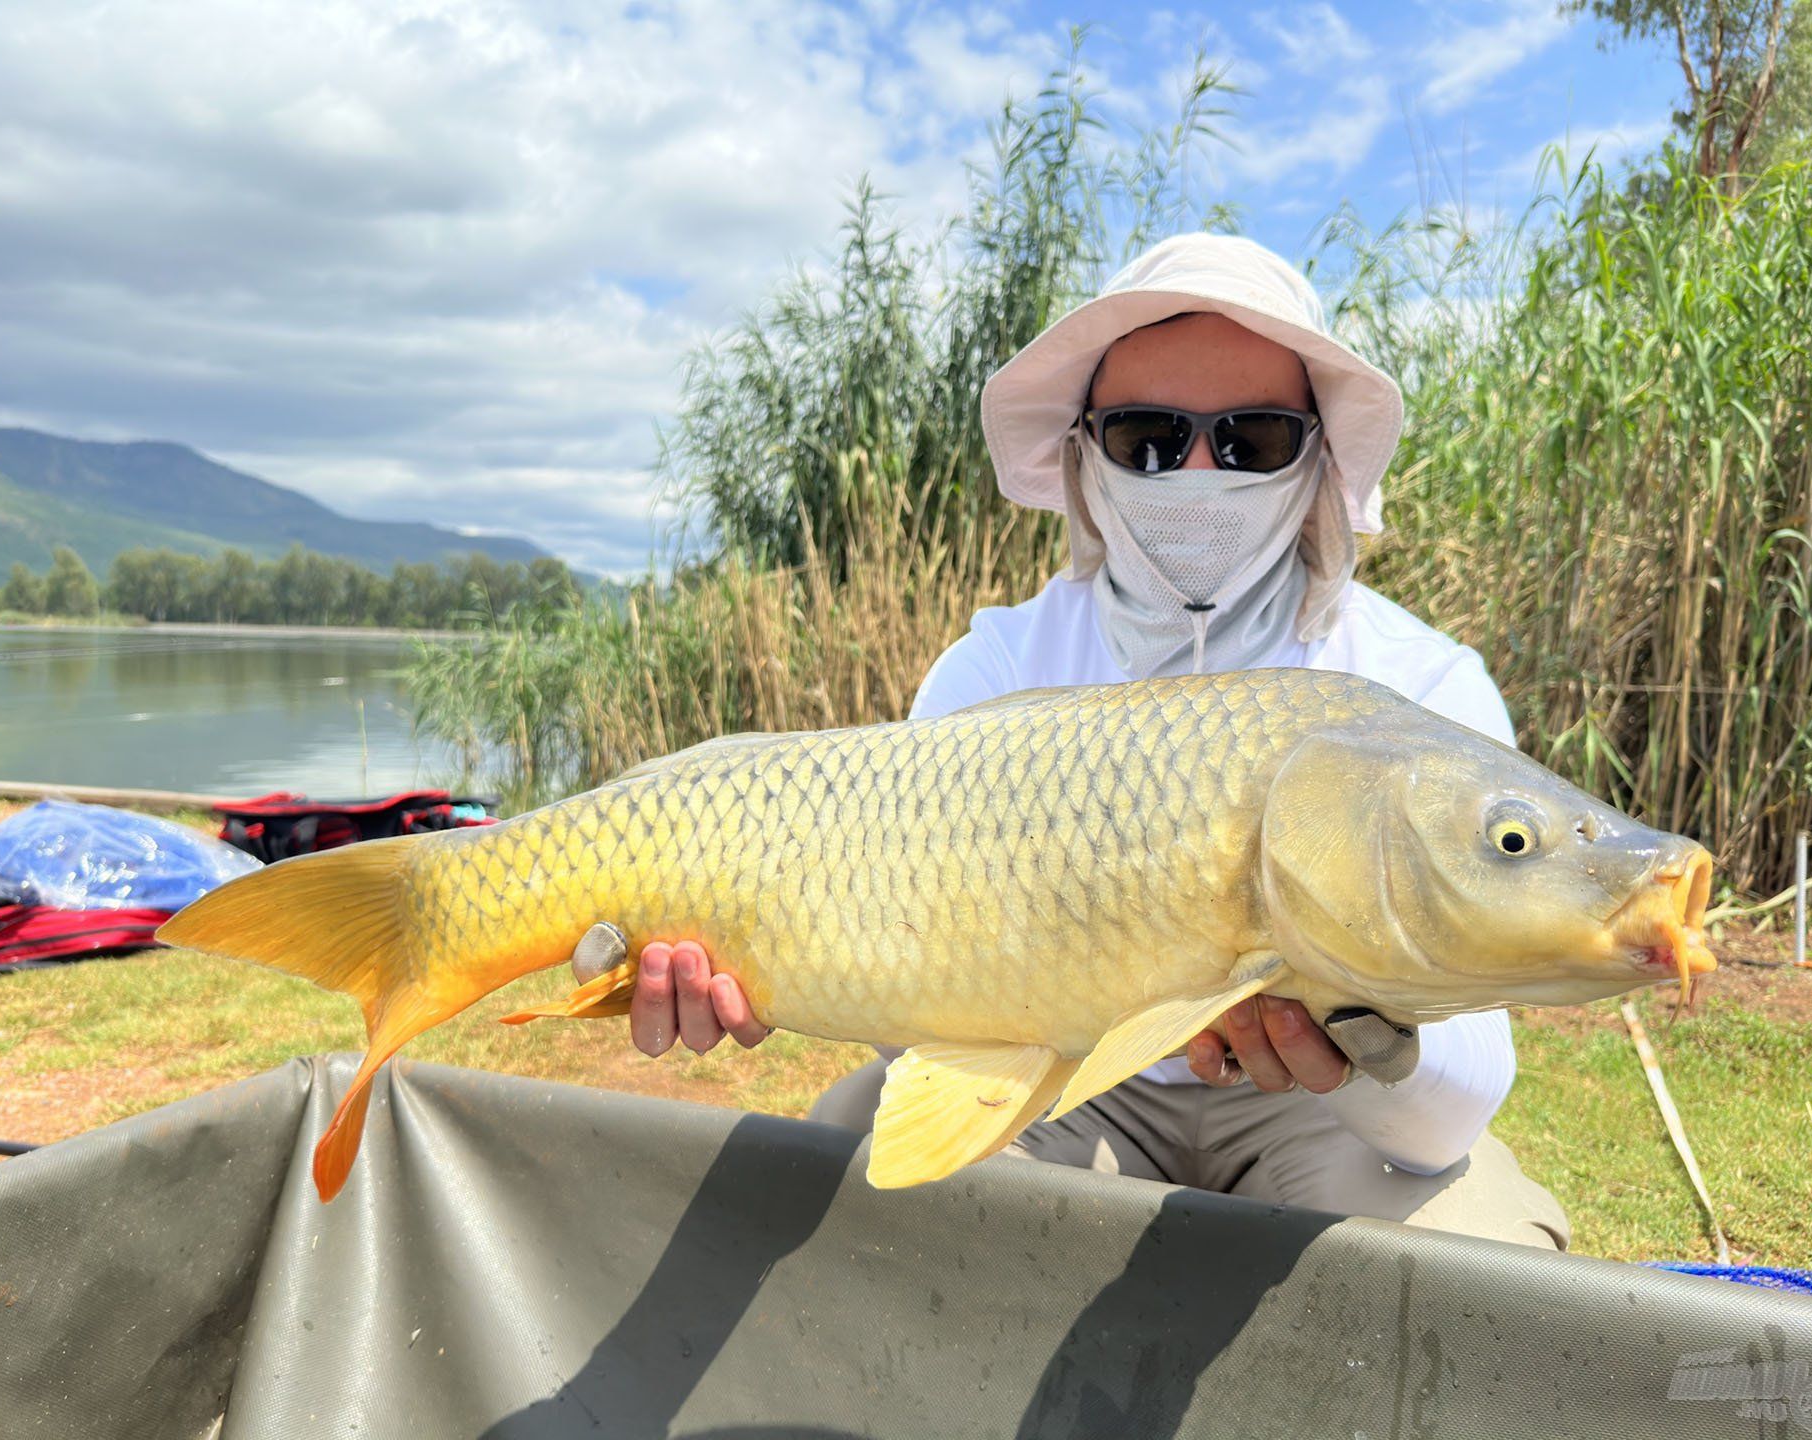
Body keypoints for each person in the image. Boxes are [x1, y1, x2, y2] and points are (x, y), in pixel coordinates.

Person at [613, 233, 1571, 1251]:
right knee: (846, 1168)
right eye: (1148, 437)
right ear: (1084, 455)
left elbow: (1450, 1120)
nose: (1198, 472)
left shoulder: (1421, 688)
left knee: (1484, 1247)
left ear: (1320, 460)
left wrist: (1367, 1049)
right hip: (1063, 1081)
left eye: (1251, 440)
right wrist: (763, 966)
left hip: (1324, 1120)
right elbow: (910, 990)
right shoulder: (995, 667)